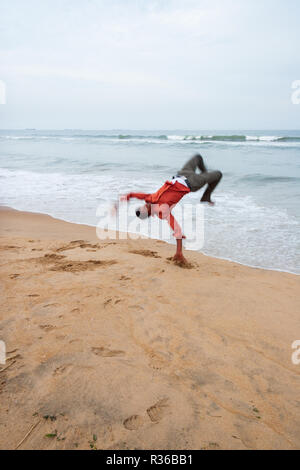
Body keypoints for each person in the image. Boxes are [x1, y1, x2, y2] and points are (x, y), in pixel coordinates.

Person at [121, 154, 222, 265]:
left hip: (182, 174)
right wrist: (179, 252)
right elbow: (177, 231)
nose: (146, 205)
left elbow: (136, 195)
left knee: (198, 157)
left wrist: (126, 197)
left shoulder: (150, 199)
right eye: (145, 208)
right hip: (192, 183)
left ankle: (205, 175)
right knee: (218, 174)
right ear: (149, 213)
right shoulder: (163, 211)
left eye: (143, 205)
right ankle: (206, 196)